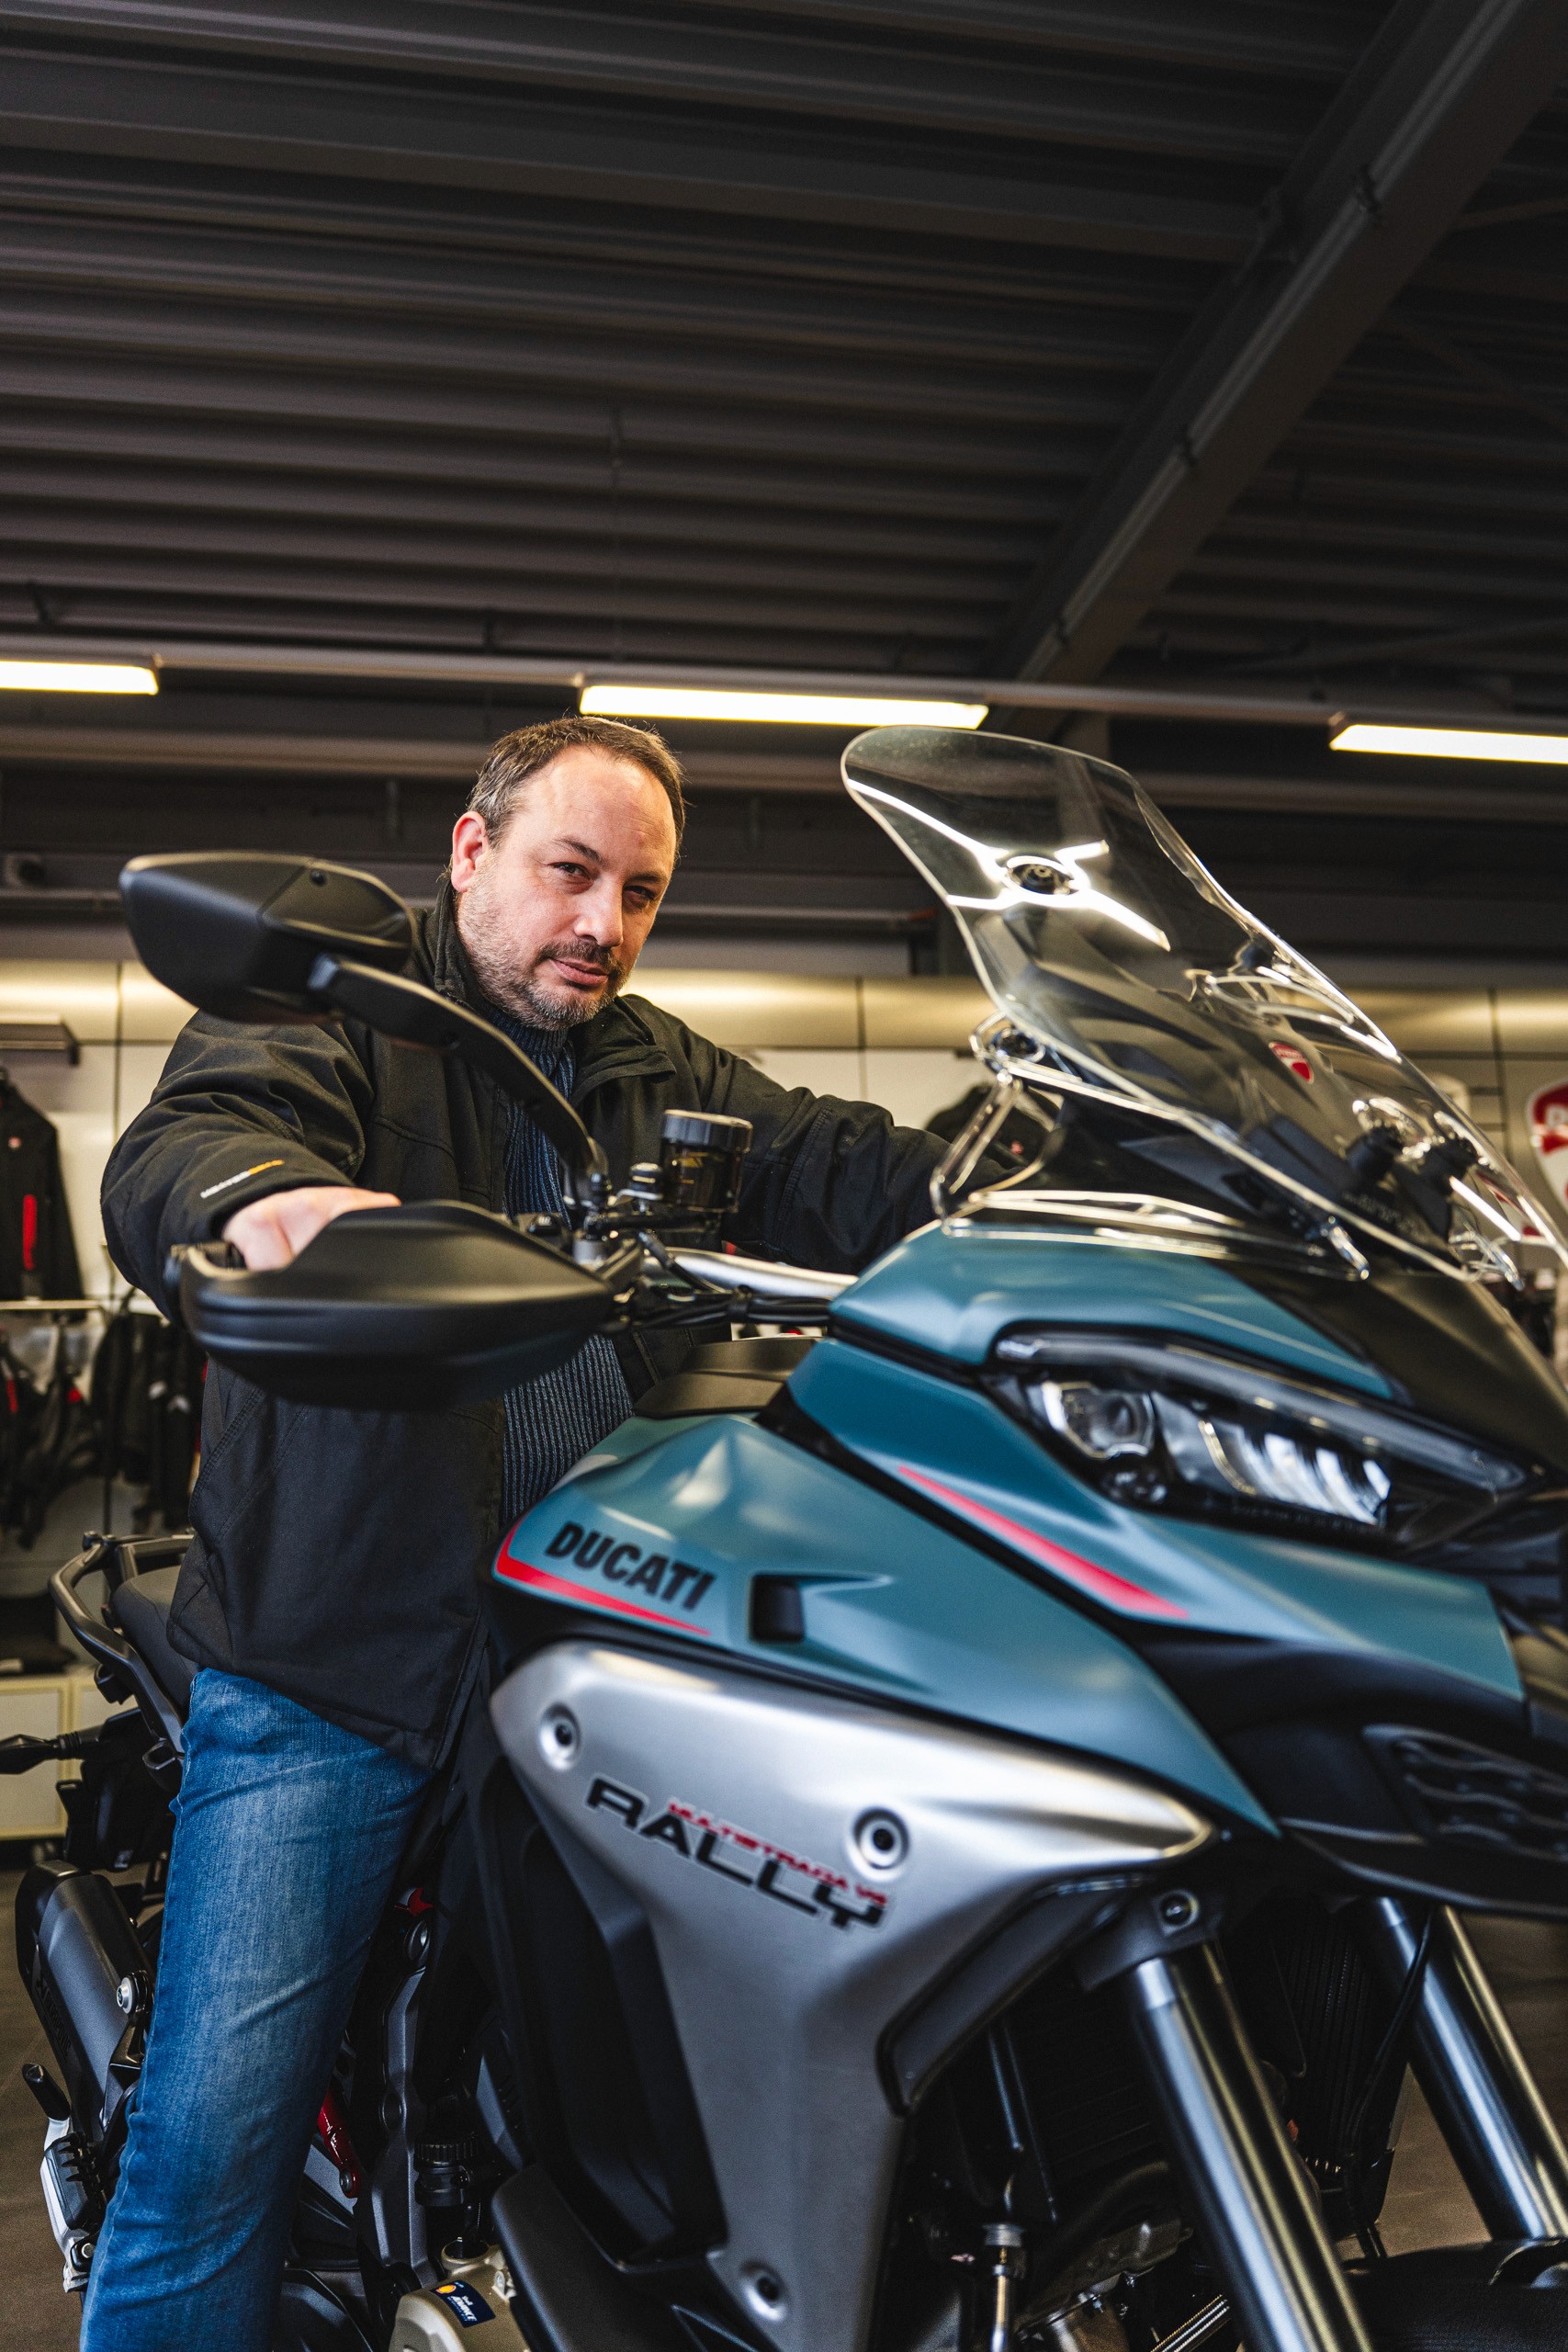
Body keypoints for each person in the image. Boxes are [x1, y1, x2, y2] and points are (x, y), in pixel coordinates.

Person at [86, 713, 955, 2348]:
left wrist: (1041, 1169)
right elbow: (187, 1142)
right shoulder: (345, 1011)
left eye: (640, 894)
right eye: (570, 872)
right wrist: (277, 1201)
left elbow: (841, 1161)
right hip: (340, 1666)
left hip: (596, 1655)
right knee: (214, 2154)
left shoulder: (653, 1065)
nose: (602, 927)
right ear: (473, 852)